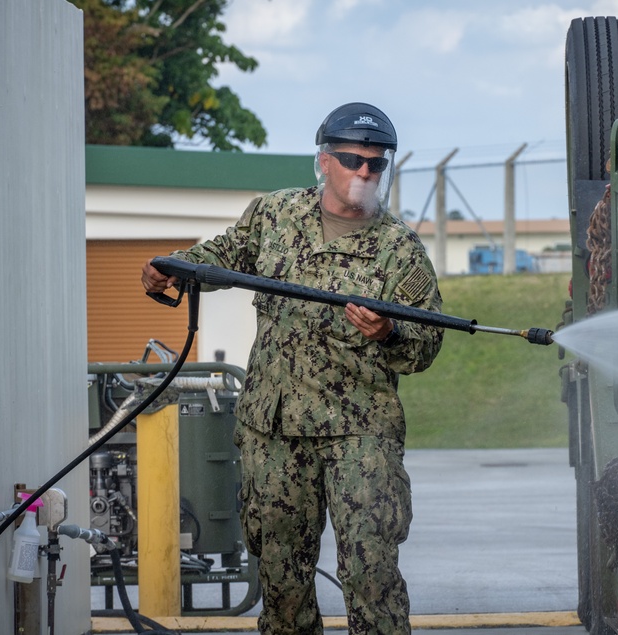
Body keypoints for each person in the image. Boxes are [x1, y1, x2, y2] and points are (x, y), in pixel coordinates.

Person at [141, 102, 444, 635]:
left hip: (360, 434)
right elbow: (222, 258)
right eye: (353, 160)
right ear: (324, 161)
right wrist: (172, 268)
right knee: (282, 580)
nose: (365, 172)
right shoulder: (274, 216)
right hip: (274, 430)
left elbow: (426, 344)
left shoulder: (400, 250)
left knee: (370, 573)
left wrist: (389, 332)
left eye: (377, 163)